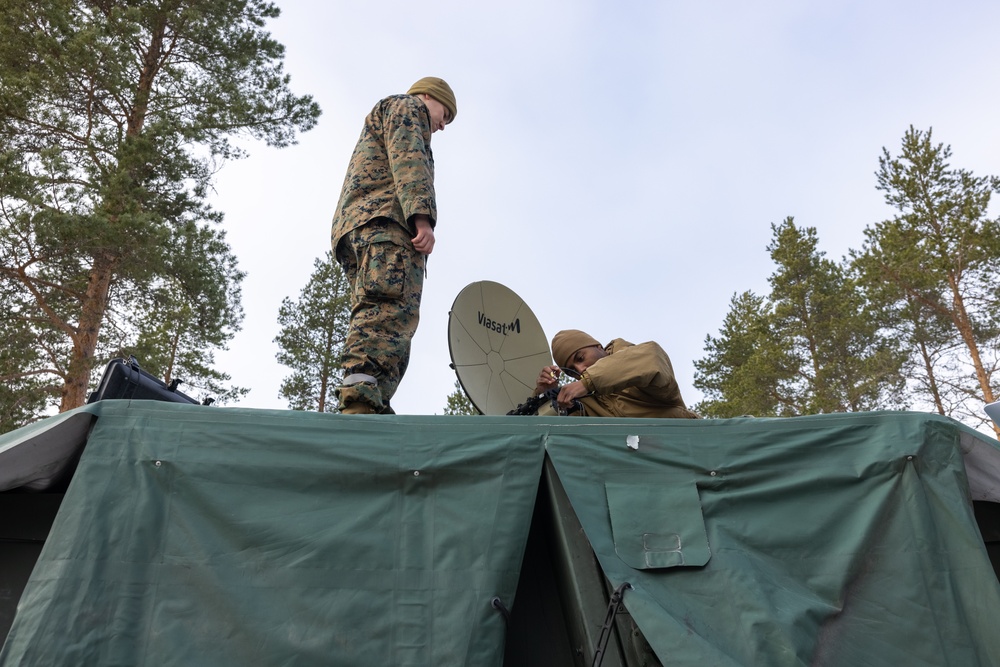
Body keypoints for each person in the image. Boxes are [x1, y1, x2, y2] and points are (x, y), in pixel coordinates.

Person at [330, 77, 457, 414]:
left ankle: (373, 396)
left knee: (381, 307)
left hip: (363, 226)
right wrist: (422, 218)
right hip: (386, 224)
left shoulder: (392, 112)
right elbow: (409, 160)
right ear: (428, 96)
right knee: (387, 308)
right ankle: (361, 397)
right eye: (446, 113)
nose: (444, 125)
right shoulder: (408, 106)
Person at [534, 330, 699, 419]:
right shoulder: (587, 403)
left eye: (581, 358)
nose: (581, 369)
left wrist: (587, 383)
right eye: (573, 371)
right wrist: (546, 395)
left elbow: (652, 358)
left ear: (598, 347)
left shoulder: (639, 364)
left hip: (690, 449)